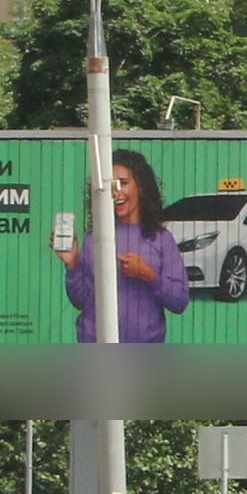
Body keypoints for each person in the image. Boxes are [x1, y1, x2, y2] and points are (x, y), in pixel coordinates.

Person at [59, 146, 193, 345]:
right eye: (110, 185)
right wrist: (72, 264)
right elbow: (81, 301)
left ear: (140, 186)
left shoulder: (161, 239)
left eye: (123, 183)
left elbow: (179, 302)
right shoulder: (93, 238)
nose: (116, 192)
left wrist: (148, 274)